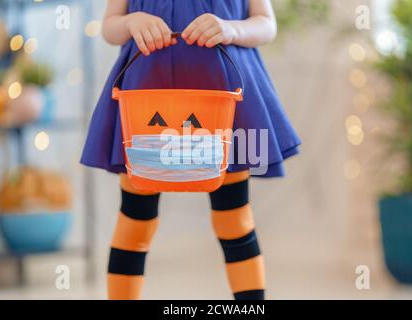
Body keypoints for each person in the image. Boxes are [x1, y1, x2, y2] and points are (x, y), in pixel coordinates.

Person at [81, 0, 301, 300]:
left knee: (233, 217)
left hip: (222, 97)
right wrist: (132, 22)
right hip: (147, 96)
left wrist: (230, 28)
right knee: (135, 218)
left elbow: (266, 23)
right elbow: (110, 26)